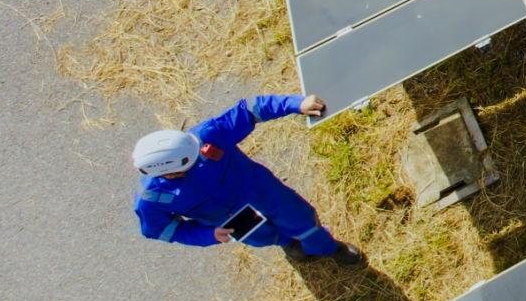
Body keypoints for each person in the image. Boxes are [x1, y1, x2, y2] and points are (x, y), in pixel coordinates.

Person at [133, 93, 363, 266]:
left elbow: (250, 111)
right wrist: (206, 235)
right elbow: (162, 230)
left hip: (263, 191)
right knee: (264, 237)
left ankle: (328, 248)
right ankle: (290, 246)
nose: (200, 149)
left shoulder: (205, 137)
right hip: (237, 221)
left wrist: (296, 104)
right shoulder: (153, 199)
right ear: (170, 172)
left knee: (301, 220)